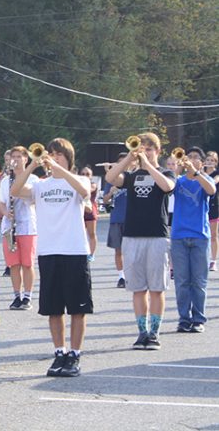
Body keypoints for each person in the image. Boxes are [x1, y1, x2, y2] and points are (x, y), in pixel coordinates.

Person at [13, 138, 92, 378]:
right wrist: (31, 166)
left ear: (68, 158)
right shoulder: (40, 185)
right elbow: (16, 190)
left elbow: (85, 191)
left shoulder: (79, 180)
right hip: (49, 251)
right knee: (53, 309)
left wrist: (61, 171)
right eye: (51, 154)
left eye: (59, 154)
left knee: (77, 309)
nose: (54, 158)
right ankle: (59, 352)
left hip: (75, 250)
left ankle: (75, 354)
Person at [104, 132, 175, 351]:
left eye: (149, 148)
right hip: (132, 236)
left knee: (156, 288)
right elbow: (111, 178)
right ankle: (142, 332)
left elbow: (167, 187)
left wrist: (148, 165)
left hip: (157, 236)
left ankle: (154, 333)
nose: (145, 151)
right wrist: (129, 159)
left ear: (158, 151)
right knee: (137, 289)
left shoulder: (166, 172)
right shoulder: (132, 175)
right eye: (141, 148)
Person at [170, 148, 215, 333]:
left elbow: (211, 190)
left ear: (202, 163)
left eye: (196, 158)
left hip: (200, 236)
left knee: (199, 281)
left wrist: (196, 173)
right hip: (179, 235)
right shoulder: (178, 181)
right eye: (189, 157)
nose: (191, 160)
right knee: (181, 282)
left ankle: (198, 318)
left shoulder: (206, 180)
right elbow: (168, 186)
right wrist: (178, 169)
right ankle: (184, 318)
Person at [0, 146, 37, 310]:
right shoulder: (6, 181)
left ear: (26, 159)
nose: (16, 159)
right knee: (14, 264)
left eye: (19, 156)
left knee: (27, 264)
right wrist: (6, 212)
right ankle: (16, 295)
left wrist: (18, 191)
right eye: (13, 156)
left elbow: (34, 200)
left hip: (27, 225)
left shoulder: (34, 179)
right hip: (10, 227)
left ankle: (27, 296)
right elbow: (0, 203)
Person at [102, 154, 130, 288]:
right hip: (117, 218)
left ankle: (131, 274)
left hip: (131, 218)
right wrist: (111, 192)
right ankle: (121, 276)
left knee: (131, 250)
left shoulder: (132, 178)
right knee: (118, 250)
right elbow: (105, 200)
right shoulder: (111, 180)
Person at [204, 151, 219, 271]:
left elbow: (213, 182)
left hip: (214, 206)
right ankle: (203, 258)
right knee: (201, 235)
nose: (209, 162)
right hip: (201, 207)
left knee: (213, 235)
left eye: (212, 160)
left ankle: (213, 260)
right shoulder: (199, 173)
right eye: (208, 160)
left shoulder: (217, 174)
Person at [80, 167, 99, 256]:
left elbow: (88, 190)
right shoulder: (78, 184)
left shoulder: (93, 184)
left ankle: (91, 254)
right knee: (80, 234)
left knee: (91, 234)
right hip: (80, 212)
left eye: (87, 174)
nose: (85, 176)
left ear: (91, 176)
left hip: (90, 212)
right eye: (83, 174)